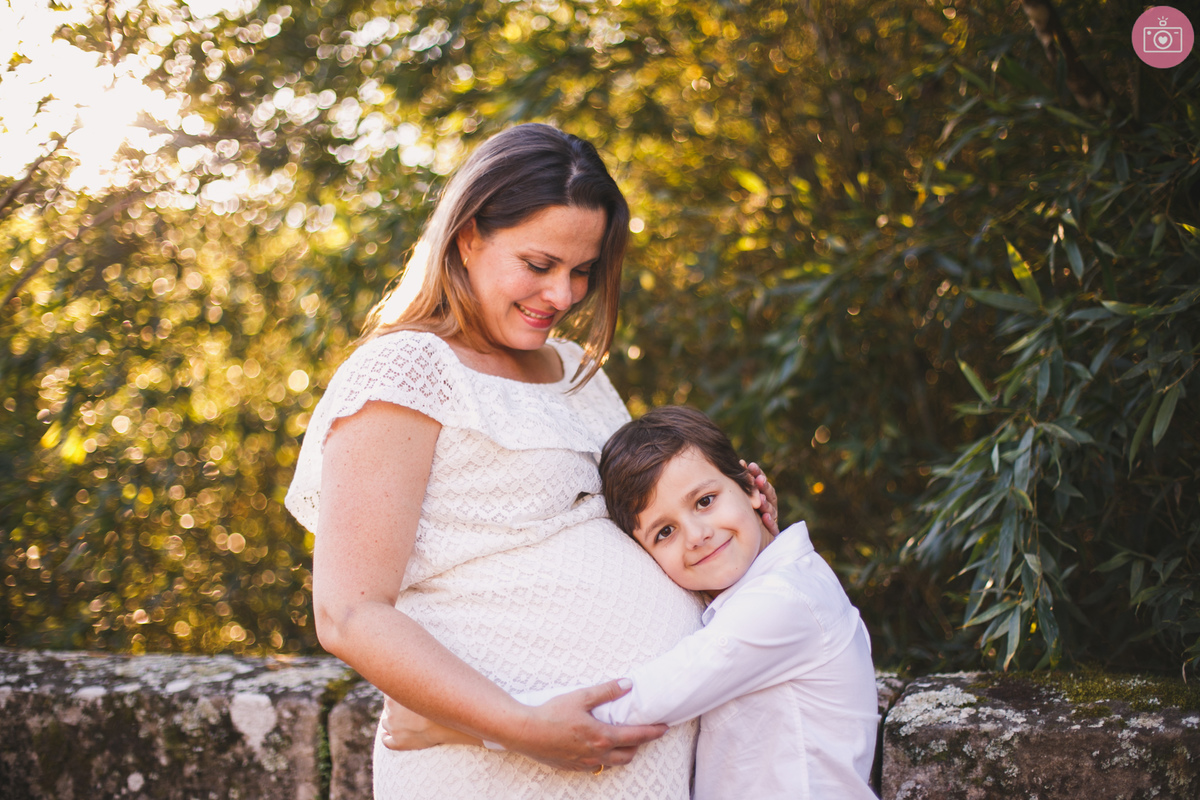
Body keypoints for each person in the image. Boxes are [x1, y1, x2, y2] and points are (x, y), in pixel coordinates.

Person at [283, 123, 778, 799]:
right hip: (496, 772)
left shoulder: (577, 372)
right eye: (539, 265)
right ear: (467, 236)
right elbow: (348, 614)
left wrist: (730, 533)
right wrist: (516, 726)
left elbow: (647, 536)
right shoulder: (407, 371)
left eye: (582, 271)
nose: (565, 295)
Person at [382, 406, 879, 799]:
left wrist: (457, 723)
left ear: (751, 486)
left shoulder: (785, 602)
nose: (698, 536)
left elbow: (637, 706)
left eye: (705, 501)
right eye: (664, 532)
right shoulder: (772, 584)